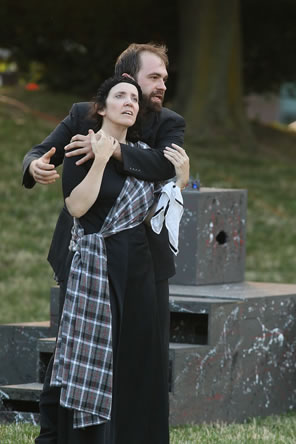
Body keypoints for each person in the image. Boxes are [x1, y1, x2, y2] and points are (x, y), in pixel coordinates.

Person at [22, 43, 186, 443]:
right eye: (154, 77)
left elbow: (163, 165)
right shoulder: (83, 113)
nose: (162, 84)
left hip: (144, 259)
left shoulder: (168, 123)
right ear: (126, 78)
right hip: (87, 253)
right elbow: (44, 149)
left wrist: (112, 150)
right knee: (81, 352)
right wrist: (34, 163)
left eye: (164, 77)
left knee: (143, 359)